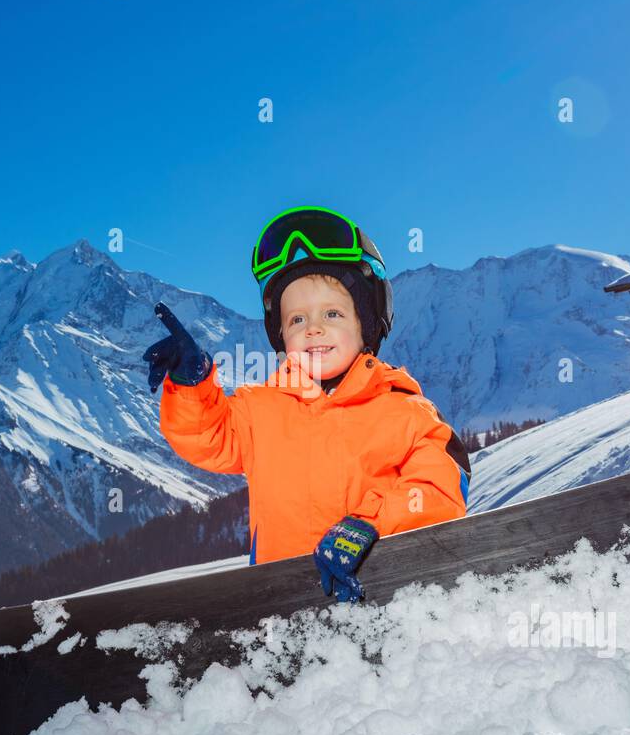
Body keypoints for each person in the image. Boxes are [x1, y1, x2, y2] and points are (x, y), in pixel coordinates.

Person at [144, 206, 470, 603]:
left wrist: (370, 523)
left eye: (332, 313)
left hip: (375, 606)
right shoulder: (260, 409)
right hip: (278, 613)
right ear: (280, 333)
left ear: (366, 322)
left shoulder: (404, 411)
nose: (313, 328)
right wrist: (191, 384)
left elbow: (442, 489)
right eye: (297, 319)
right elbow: (206, 438)